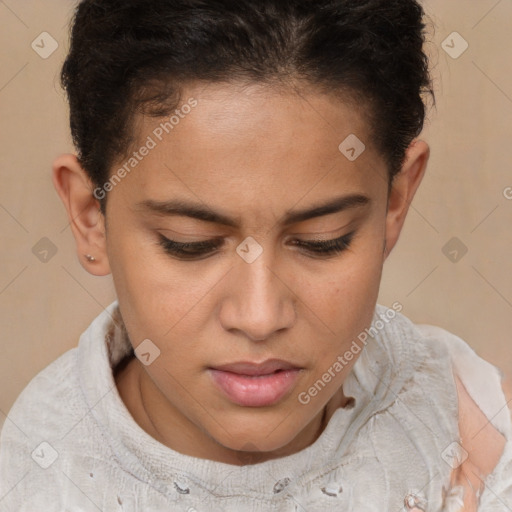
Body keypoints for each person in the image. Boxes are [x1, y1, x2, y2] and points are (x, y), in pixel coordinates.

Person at [1, 0, 511, 510]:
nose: (260, 317)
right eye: (189, 243)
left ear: (393, 204)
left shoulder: (461, 416)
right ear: (92, 218)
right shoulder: (36, 485)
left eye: (323, 239)